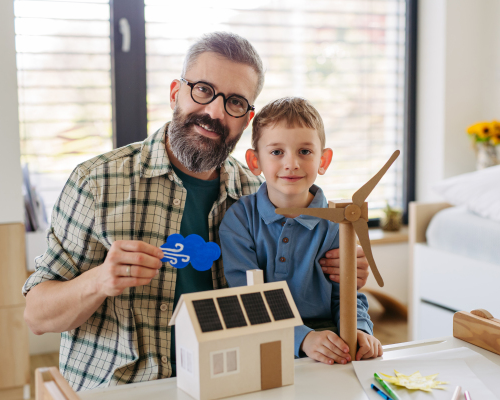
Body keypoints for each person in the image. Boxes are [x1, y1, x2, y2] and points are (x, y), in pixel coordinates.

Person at [22, 32, 371, 391]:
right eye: (203, 90)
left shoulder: (258, 195)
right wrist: (99, 281)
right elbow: (36, 315)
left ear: (247, 119)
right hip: (118, 388)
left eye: (234, 102)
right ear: (175, 93)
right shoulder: (97, 182)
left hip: (227, 383)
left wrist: (345, 267)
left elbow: (289, 289)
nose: (215, 112)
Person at [220, 97, 383, 365]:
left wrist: (359, 331)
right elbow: (247, 301)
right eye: (276, 152)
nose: (291, 163)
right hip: (263, 341)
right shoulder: (239, 221)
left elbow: (347, 296)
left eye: (305, 151)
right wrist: (302, 338)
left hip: (328, 345)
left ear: (324, 160)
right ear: (254, 160)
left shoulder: (337, 224)